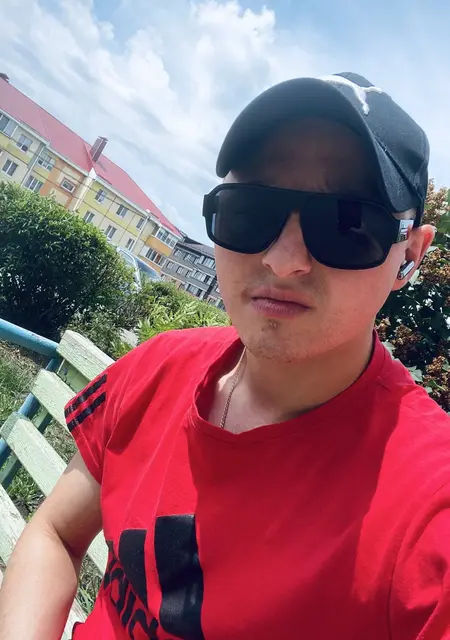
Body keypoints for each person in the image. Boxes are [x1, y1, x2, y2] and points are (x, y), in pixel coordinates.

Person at [0, 72, 448, 640]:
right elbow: (58, 533)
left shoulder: (425, 506)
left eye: (347, 224)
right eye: (250, 210)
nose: (283, 260)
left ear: (410, 255)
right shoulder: (160, 367)